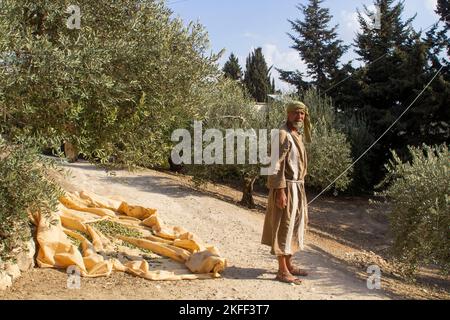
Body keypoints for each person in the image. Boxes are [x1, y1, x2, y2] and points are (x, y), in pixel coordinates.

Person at [261, 101, 312, 285]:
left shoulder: (296, 135)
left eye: (302, 114)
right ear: (288, 114)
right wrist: (280, 191)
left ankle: (289, 265)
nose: (299, 117)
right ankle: (282, 271)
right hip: (286, 189)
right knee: (283, 227)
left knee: (294, 226)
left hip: (298, 188)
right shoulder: (282, 134)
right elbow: (274, 165)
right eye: (296, 113)